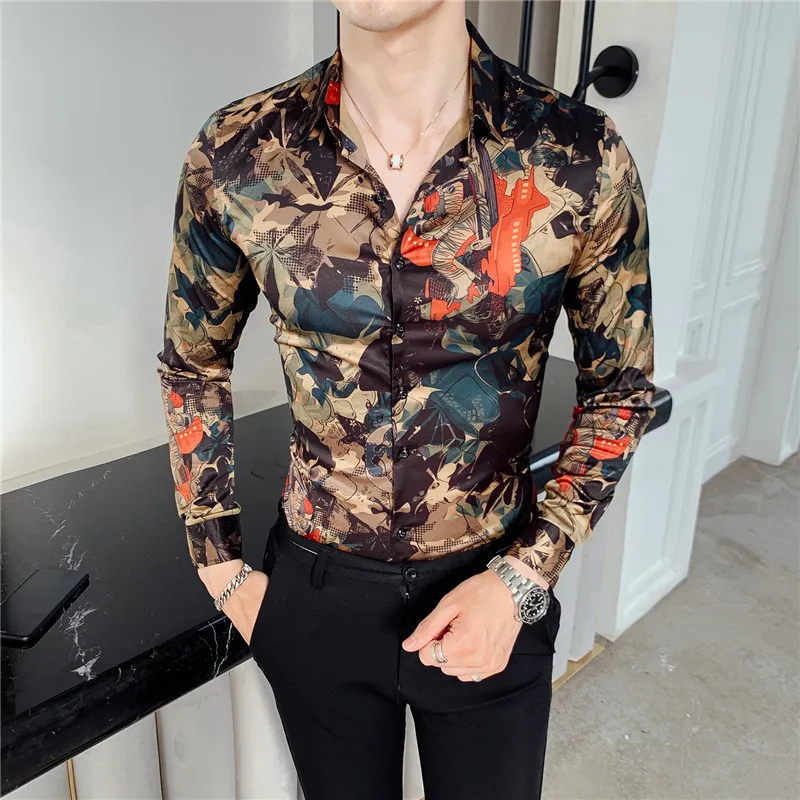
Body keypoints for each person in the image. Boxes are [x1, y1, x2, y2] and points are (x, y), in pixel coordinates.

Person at [156, 1, 657, 798]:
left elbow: (620, 391)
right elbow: (193, 364)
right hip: (316, 597)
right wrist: (218, 567)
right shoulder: (239, 152)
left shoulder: (576, 154)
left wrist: (525, 577)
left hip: (493, 589)